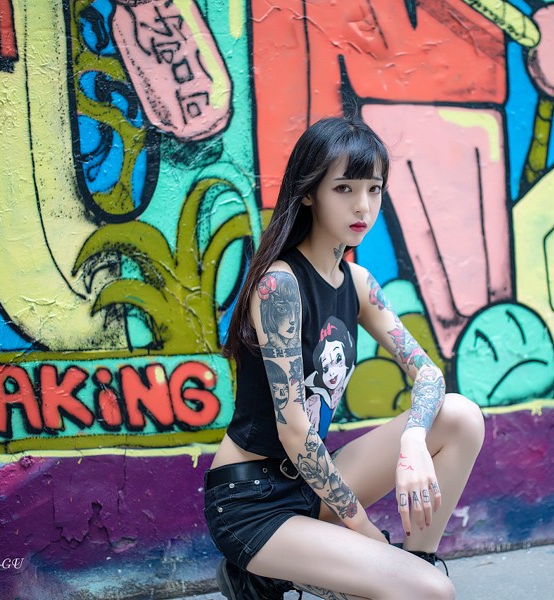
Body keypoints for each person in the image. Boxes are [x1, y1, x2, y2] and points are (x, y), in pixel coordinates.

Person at [207, 116, 485, 599]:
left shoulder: (356, 284)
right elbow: (295, 432)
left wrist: (414, 440)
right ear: (309, 193)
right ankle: (261, 570)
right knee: (433, 593)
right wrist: (366, 530)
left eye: (374, 189)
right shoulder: (280, 285)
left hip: (310, 484)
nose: (363, 206)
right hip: (252, 500)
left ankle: (416, 562)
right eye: (344, 189)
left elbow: (428, 373)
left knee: (460, 416)